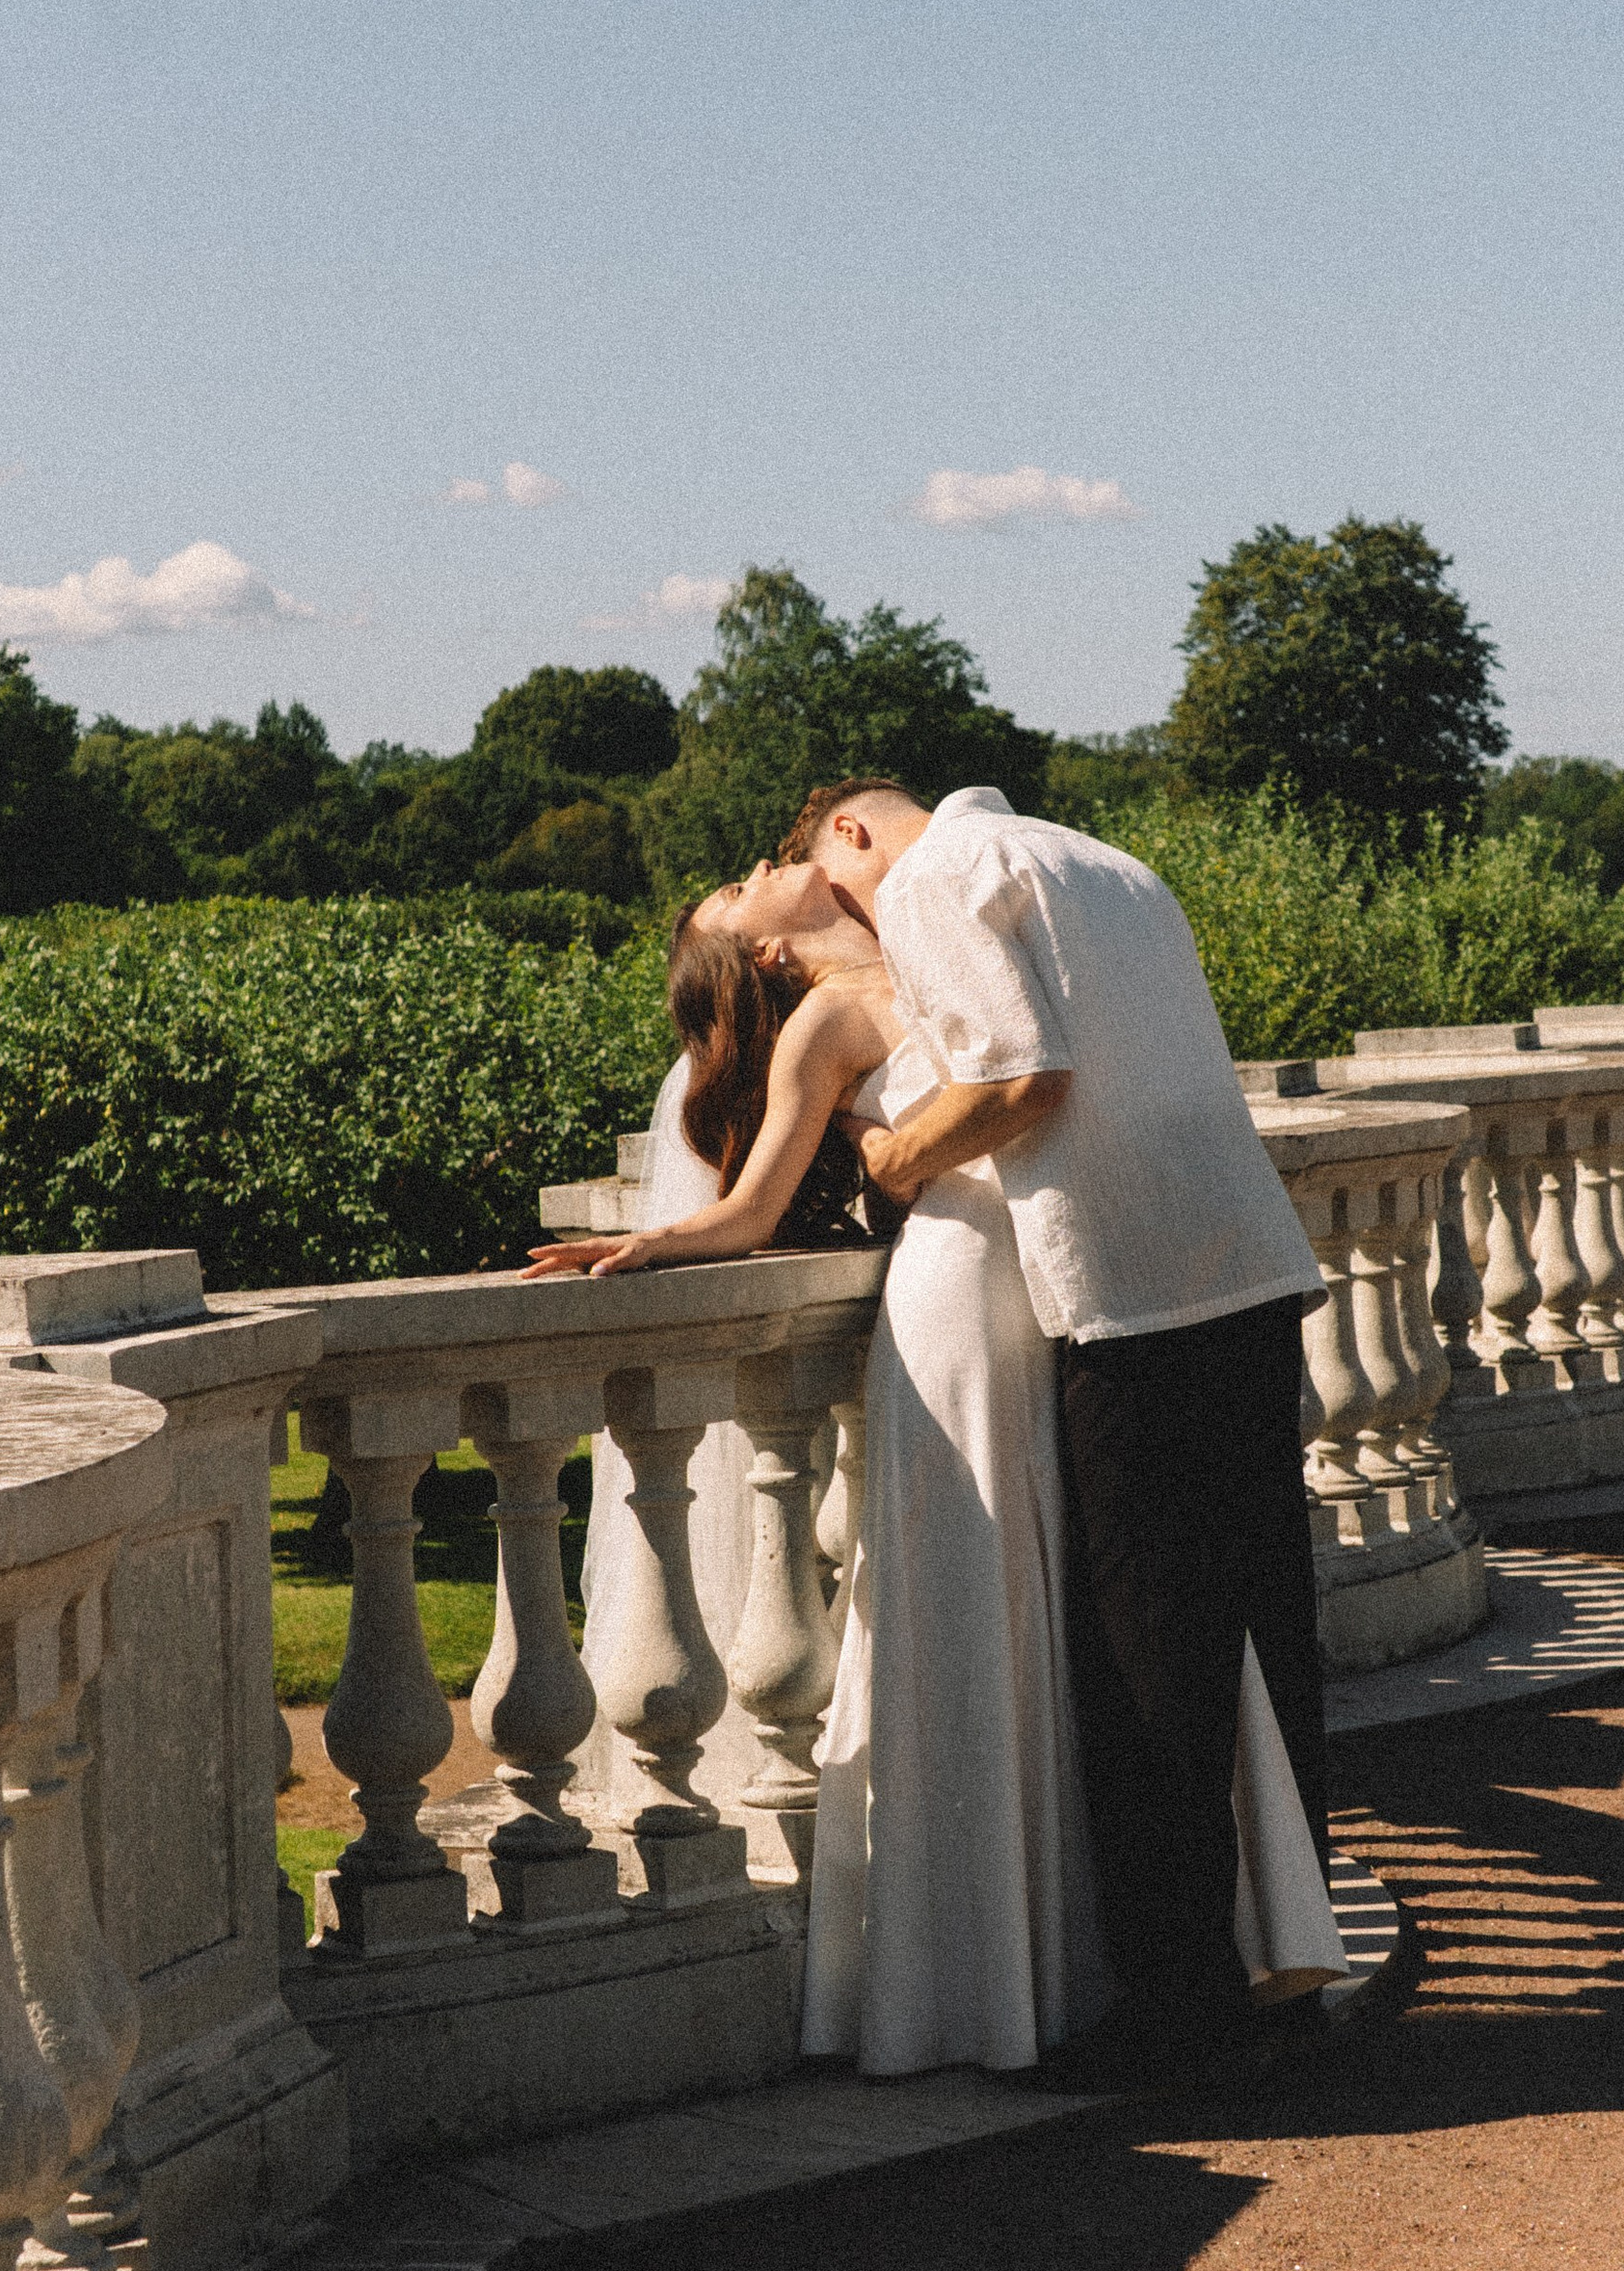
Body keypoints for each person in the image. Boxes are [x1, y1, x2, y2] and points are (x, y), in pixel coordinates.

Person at [530, 823, 1344, 2079]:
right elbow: (751, 1207)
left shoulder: (941, 941)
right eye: (741, 882)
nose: (766, 863)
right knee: (984, 1606)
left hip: (1056, 1289)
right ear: (754, 940)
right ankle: (993, 1981)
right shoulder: (829, 1019)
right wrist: (650, 1248)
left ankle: (1151, 1946)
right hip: (963, 1300)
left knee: (1099, 1614)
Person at [780, 776, 1338, 2082]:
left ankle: (1176, 2010)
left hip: (1132, 1289)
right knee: (1264, 1645)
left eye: (839, 882)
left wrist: (895, 1158)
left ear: (856, 834)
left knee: (1148, 1657)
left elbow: (1024, 1077)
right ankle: (1284, 1963)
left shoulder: (929, 879)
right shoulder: (1109, 864)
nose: (862, 915)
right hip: (1248, 1262)